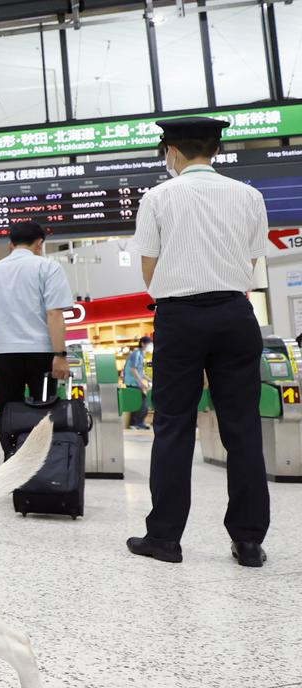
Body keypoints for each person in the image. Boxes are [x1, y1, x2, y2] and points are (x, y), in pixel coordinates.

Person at [126, 116, 270, 568]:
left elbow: (150, 270)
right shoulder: (249, 195)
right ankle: (248, 542)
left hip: (180, 317)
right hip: (234, 313)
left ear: (171, 151)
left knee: (172, 425)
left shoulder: (158, 197)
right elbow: (249, 261)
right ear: (216, 150)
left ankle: (165, 539)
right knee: (242, 427)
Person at [0, 221, 74, 458]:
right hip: (42, 353)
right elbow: (54, 313)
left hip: (5, 354)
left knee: (7, 407)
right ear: (39, 243)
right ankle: (44, 461)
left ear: (10, 244)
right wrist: (60, 355)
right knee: (45, 407)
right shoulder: (48, 267)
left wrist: (3, 333)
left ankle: (12, 457)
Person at [124, 336, 153, 430]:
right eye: (149, 344)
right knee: (142, 402)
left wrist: (150, 380)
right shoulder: (136, 353)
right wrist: (142, 383)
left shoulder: (141, 354)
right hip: (132, 383)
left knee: (141, 402)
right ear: (143, 344)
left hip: (136, 382)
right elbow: (133, 369)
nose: (150, 346)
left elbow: (141, 372)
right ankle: (136, 423)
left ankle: (138, 422)